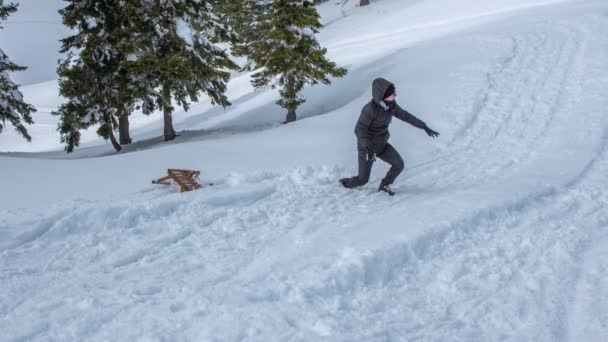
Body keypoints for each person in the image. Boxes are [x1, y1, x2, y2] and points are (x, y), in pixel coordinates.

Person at [339, 78, 440, 196]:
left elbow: (406, 116)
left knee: (399, 164)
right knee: (362, 180)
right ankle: (344, 183)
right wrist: (367, 147)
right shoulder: (370, 109)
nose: (395, 94)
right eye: (393, 93)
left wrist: (424, 127)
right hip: (367, 148)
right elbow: (359, 129)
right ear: (383, 94)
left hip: (382, 145)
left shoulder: (391, 106)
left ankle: (384, 186)